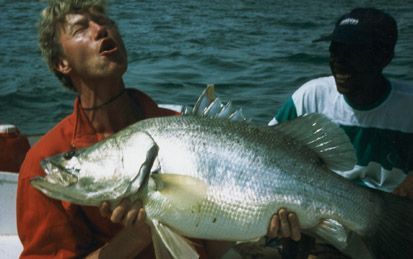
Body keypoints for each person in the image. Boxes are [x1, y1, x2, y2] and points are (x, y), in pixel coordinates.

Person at [16, 0, 300, 258]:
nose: (101, 30)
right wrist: (139, 232)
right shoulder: (44, 163)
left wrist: (261, 224)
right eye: (81, 28)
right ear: (61, 63)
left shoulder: (180, 132)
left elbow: (209, 245)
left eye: (105, 22)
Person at [269, 7, 413, 258]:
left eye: (354, 52)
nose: (339, 61)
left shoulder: (408, 106)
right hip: (320, 225)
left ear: (384, 57)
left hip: (394, 224)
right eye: (335, 50)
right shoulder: (310, 97)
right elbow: (266, 151)